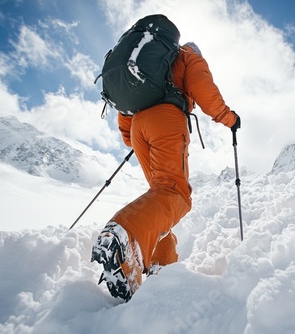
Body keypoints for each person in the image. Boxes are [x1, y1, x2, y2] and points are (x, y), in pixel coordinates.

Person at [91, 23, 241, 301]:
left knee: (161, 197)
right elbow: (204, 91)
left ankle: (163, 269)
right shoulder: (189, 57)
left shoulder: (148, 70)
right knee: (176, 194)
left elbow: (127, 107)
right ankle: (125, 236)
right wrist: (229, 118)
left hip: (138, 126)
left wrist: (133, 136)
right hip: (167, 120)